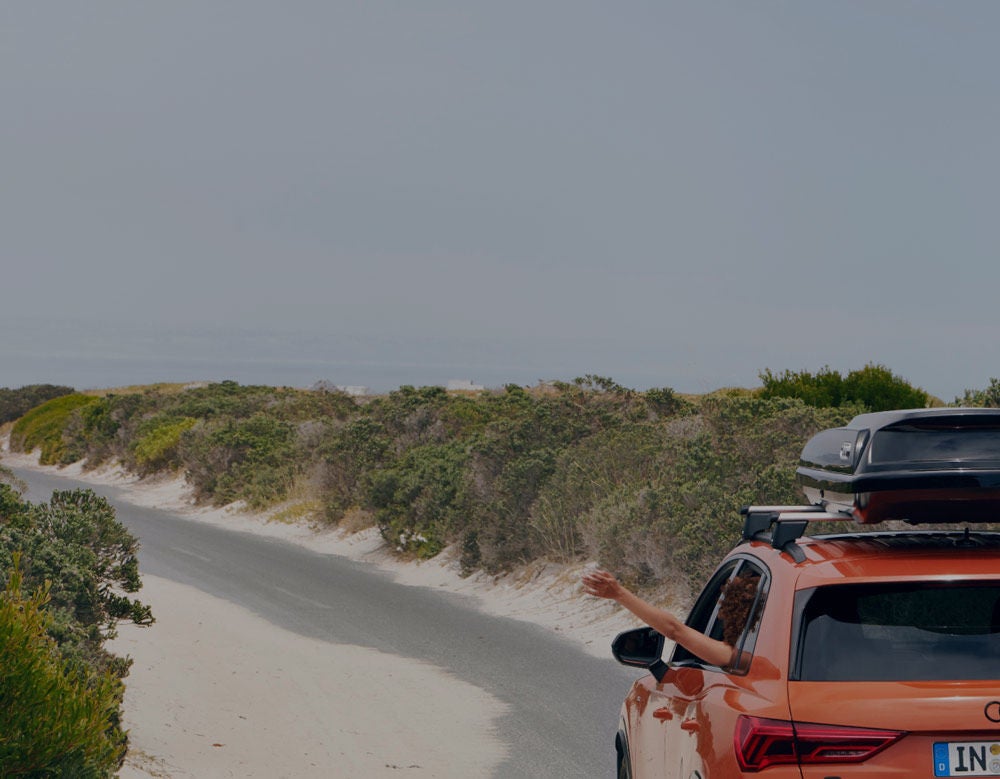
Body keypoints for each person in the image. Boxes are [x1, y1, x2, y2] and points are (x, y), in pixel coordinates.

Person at [582, 569, 759, 671]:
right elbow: (674, 630)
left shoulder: (739, 658)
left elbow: (675, 630)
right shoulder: (764, 659)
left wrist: (619, 594)